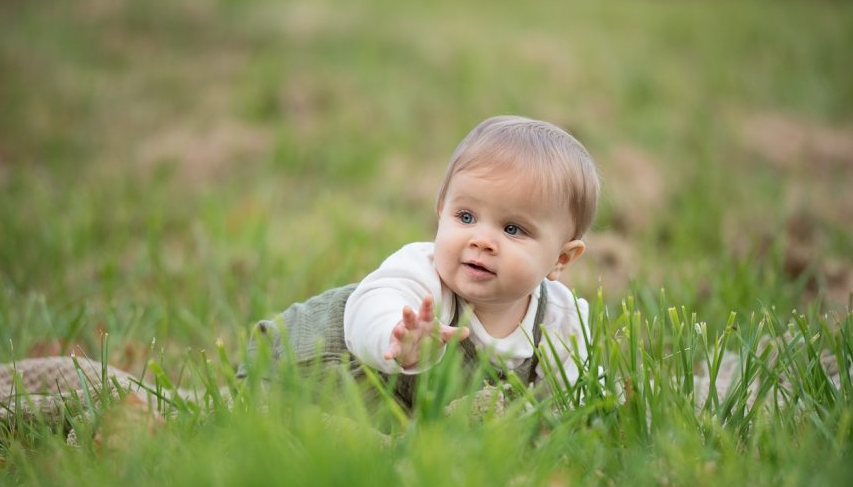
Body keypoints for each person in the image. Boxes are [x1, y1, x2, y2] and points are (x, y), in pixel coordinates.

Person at [244, 115, 601, 409]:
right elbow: (373, 306)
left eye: (512, 228)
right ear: (441, 212)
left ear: (561, 258)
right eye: (465, 217)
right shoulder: (423, 273)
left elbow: (574, 397)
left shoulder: (560, 319)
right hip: (304, 369)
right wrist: (398, 336)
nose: (481, 240)